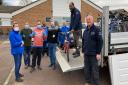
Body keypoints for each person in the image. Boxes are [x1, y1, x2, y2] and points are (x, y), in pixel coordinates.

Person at [82, 15, 103, 85]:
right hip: (86, 54)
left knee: (95, 71)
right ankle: (88, 82)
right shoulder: (85, 31)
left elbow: (100, 41)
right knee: (86, 70)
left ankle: (96, 84)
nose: (88, 21)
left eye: (89, 19)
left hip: (94, 55)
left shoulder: (96, 29)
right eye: (87, 19)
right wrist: (83, 51)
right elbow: (83, 42)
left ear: (92, 20)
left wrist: (98, 53)